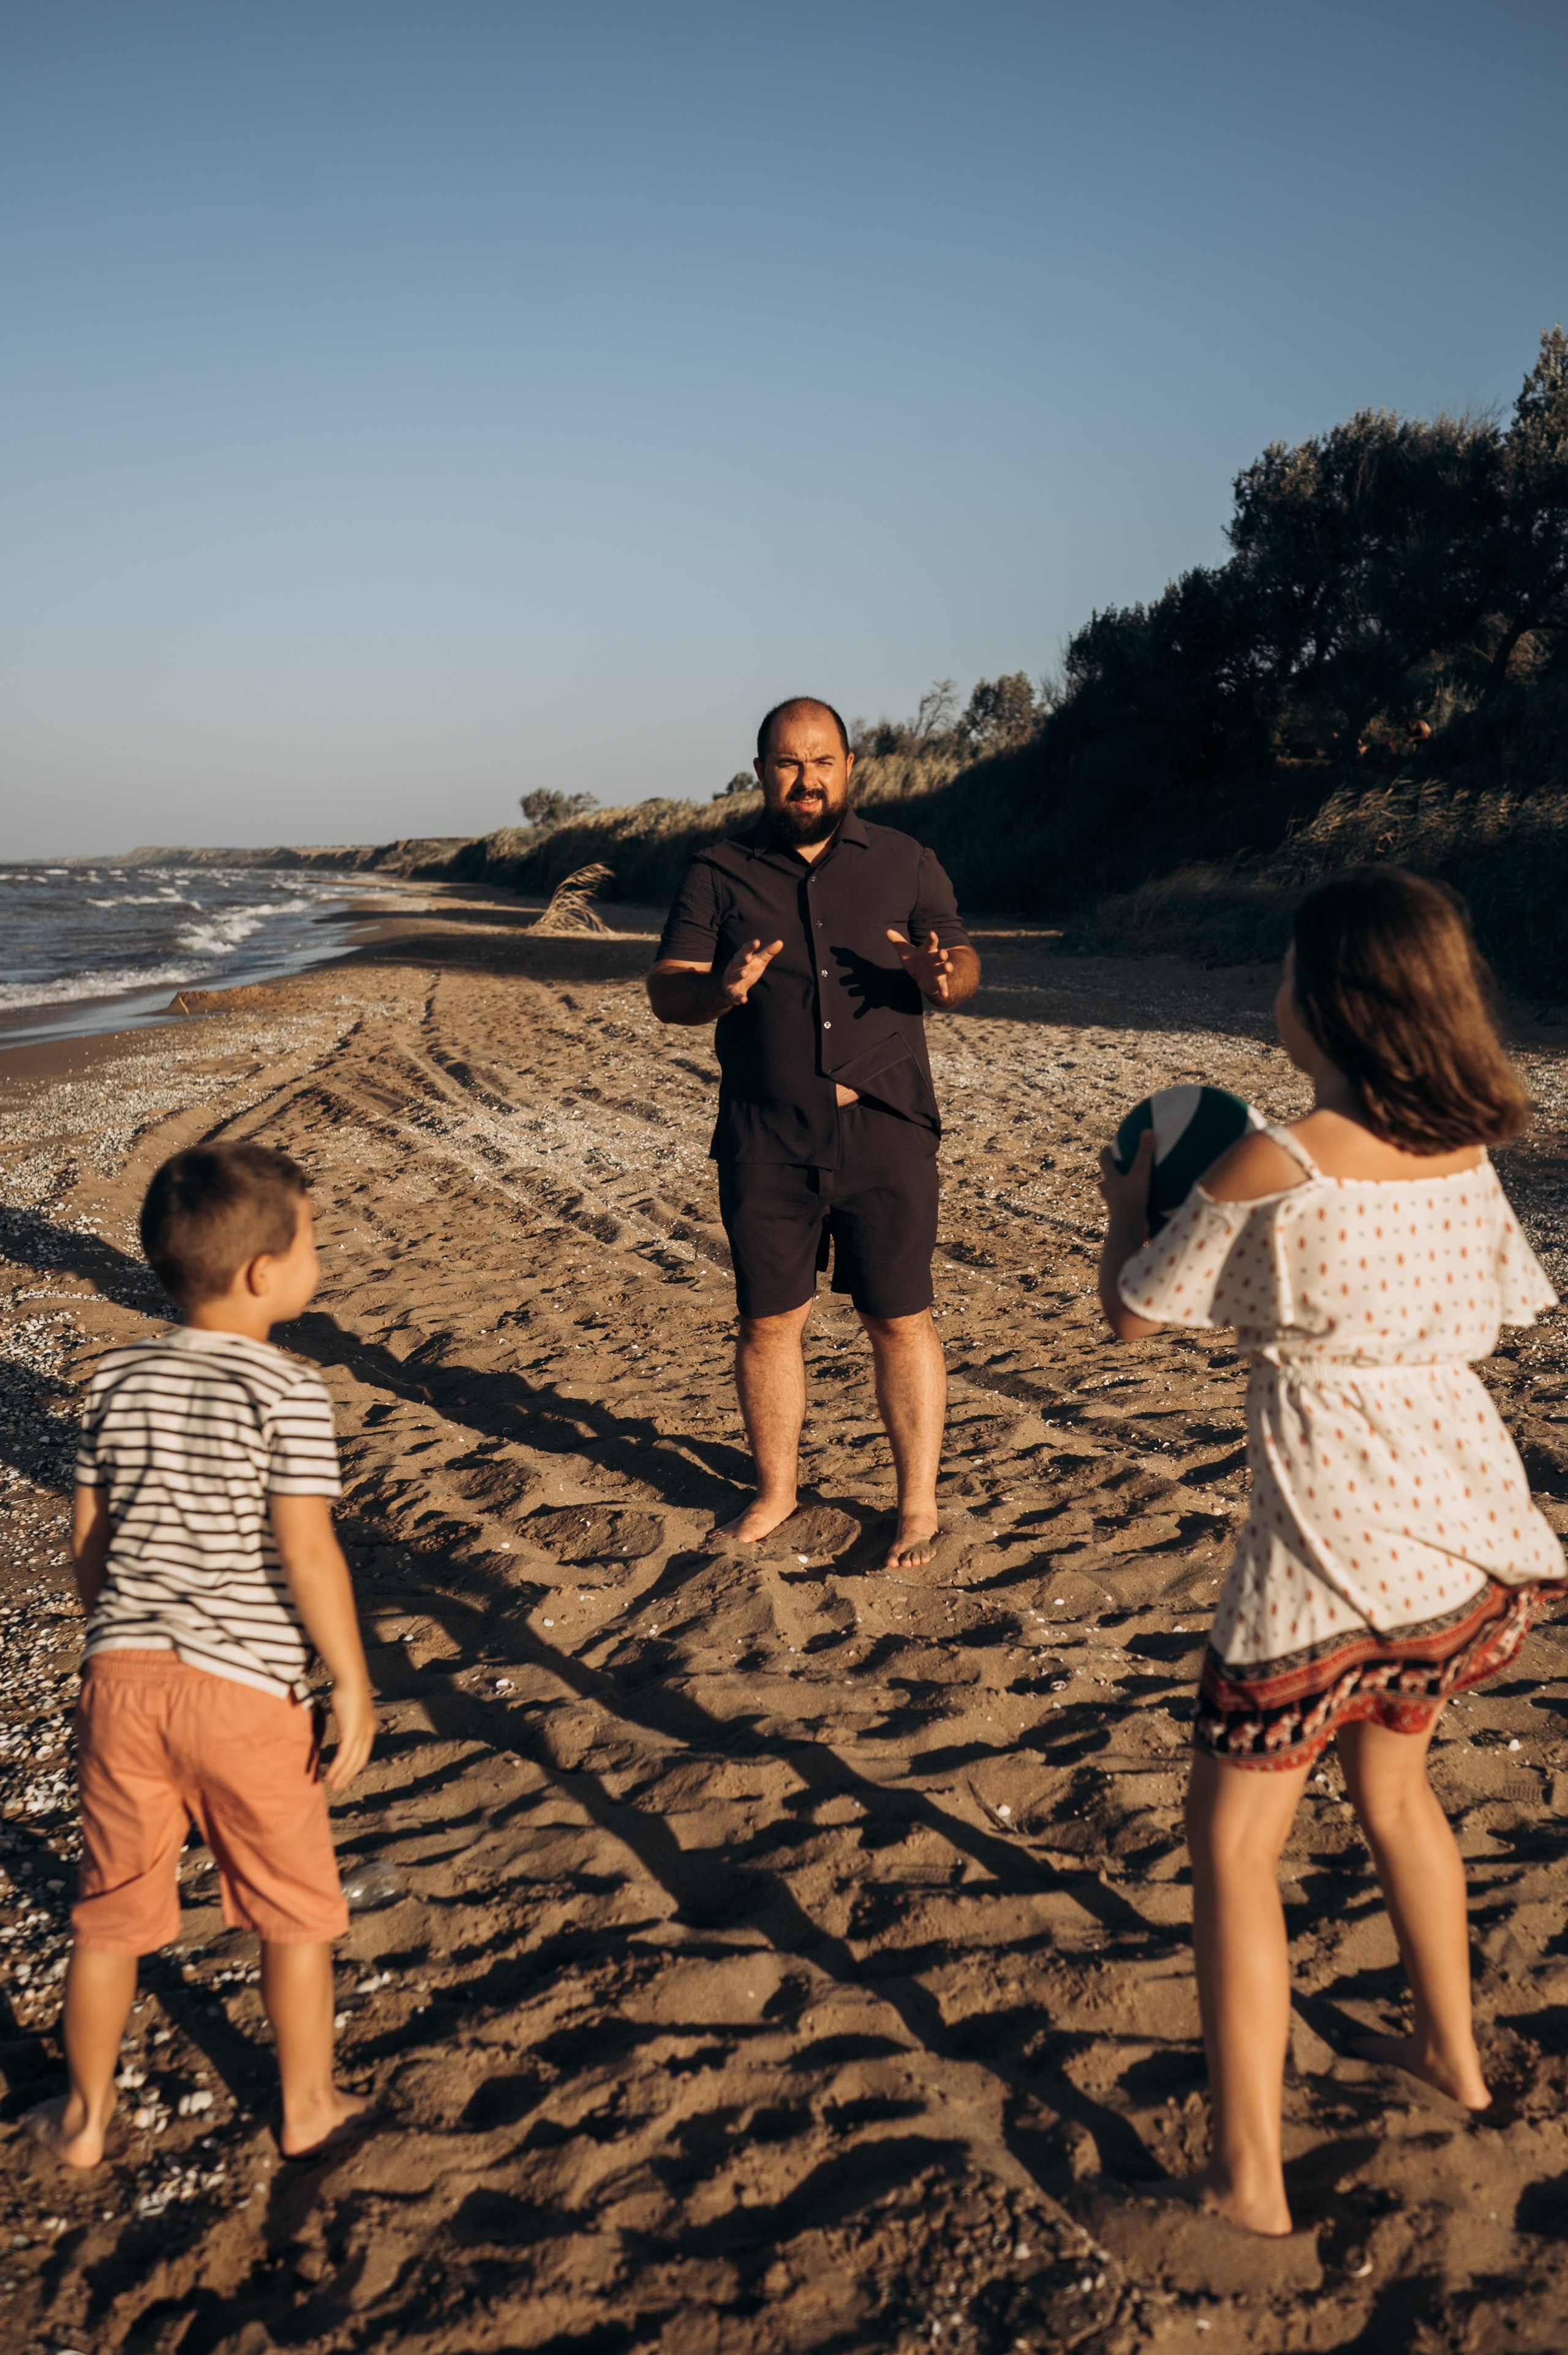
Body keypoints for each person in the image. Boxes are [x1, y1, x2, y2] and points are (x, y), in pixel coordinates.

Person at [1097, 866, 1563, 2238]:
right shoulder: (1465, 1154)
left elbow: (1134, 1313)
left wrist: (1130, 1189)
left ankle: (1247, 2180)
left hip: (1315, 1572)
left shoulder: (1275, 1160)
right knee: (1397, 1795)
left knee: (1233, 1847)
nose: (1273, 992)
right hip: (1450, 1557)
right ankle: (1452, 2058)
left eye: (1288, 972)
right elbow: (1495, 1306)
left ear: (1336, 1004)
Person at [26, 1143, 375, 2168]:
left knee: (109, 1915)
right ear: (266, 1273)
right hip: (245, 1692)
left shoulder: (117, 1379)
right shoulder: (291, 1393)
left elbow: (86, 1536)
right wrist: (348, 1679)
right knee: (293, 1908)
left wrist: (113, 1633)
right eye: (312, 1244)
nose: (318, 1260)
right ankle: (306, 2103)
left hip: (122, 1683)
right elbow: (308, 1553)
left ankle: (86, 2121)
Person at [647, 695, 981, 1570]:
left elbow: (960, 956)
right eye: (789, 763)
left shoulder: (907, 861)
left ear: (849, 767)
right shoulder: (716, 871)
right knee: (767, 1323)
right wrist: (720, 990)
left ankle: (915, 1508)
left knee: (901, 1319)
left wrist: (941, 975)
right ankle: (777, 1492)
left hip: (886, 1131)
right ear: (761, 772)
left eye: (823, 760)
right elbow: (667, 990)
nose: (808, 778)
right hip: (765, 1136)